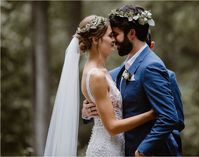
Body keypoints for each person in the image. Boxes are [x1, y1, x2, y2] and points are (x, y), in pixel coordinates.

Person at [44, 15, 156, 156]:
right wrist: (152, 114)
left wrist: (87, 112)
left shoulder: (102, 72)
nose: (114, 40)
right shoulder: (96, 75)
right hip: (106, 150)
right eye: (110, 36)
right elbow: (112, 127)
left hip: (115, 147)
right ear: (96, 40)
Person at [82, 5, 184, 156]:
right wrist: (87, 112)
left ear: (131, 34)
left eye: (115, 34)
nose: (114, 40)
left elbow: (171, 118)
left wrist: (142, 151)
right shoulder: (114, 74)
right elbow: (113, 111)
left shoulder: (151, 67)